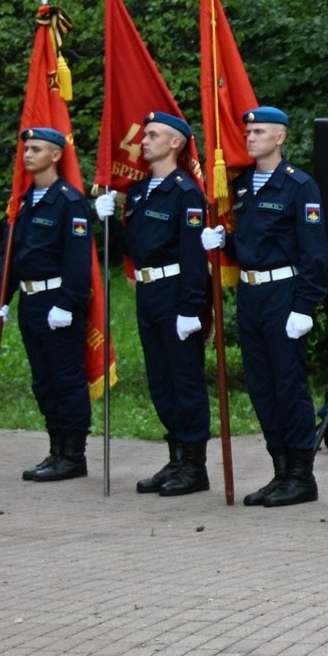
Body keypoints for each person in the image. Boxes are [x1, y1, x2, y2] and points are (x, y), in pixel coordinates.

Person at [214, 107, 328, 507]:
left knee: (288, 385)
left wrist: (304, 305)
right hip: (251, 295)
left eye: (260, 132)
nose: (250, 137)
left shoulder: (299, 186)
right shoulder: (242, 185)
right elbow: (252, 243)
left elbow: (314, 252)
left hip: (284, 293)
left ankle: (301, 475)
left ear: (280, 137)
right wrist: (224, 242)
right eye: (248, 132)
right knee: (261, 386)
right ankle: (280, 471)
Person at [97, 113, 213, 496]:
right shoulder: (140, 192)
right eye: (144, 135)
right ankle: (176, 457)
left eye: (152, 135)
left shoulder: (186, 193)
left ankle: (194, 466)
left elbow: (194, 256)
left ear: (175, 143)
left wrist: (192, 307)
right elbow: (132, 248)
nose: (143, 141)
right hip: (148, 294)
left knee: (185, 380)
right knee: (160, 380)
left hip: (177, 292)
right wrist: (108, 222)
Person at [0, 126, 94, 482]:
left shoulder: (69, 201)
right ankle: (56, 450)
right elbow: (10, 255)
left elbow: (78, 259)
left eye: (36, 149)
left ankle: (73, 456)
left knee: (66, 379)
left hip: (57, 301)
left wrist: (67, 302)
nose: (28, 155)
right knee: (44, 381)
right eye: (26, 149)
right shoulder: (22, 201)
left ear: (56, 155)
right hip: (30, 300)